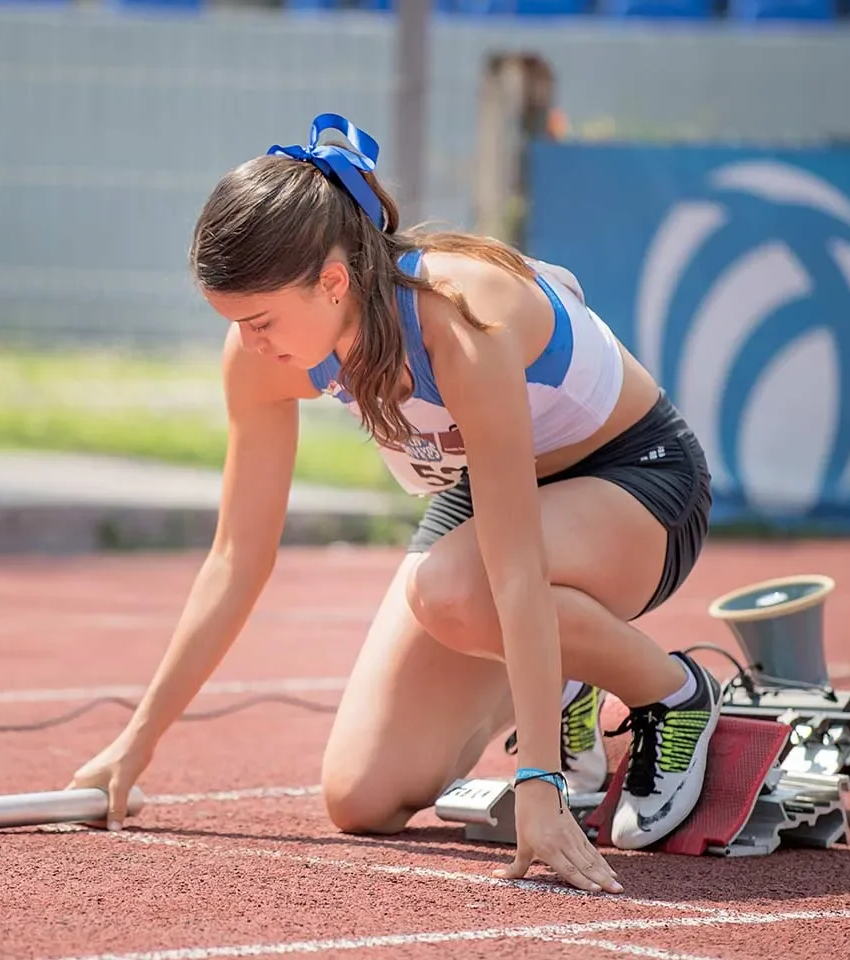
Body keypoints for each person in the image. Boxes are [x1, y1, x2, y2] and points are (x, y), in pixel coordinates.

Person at [69, 113, 720, 896]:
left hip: (639, 480)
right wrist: (137, 743)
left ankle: (675, 695)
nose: (250, 342)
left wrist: (539, 782)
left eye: (261, 320)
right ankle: (569, 681)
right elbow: (238, 556)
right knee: (362, 796)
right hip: (495, 500)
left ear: (332, 281)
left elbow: (514, 571)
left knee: (451, 590)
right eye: (235, 323)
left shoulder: (460, 317)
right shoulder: (265, 354)